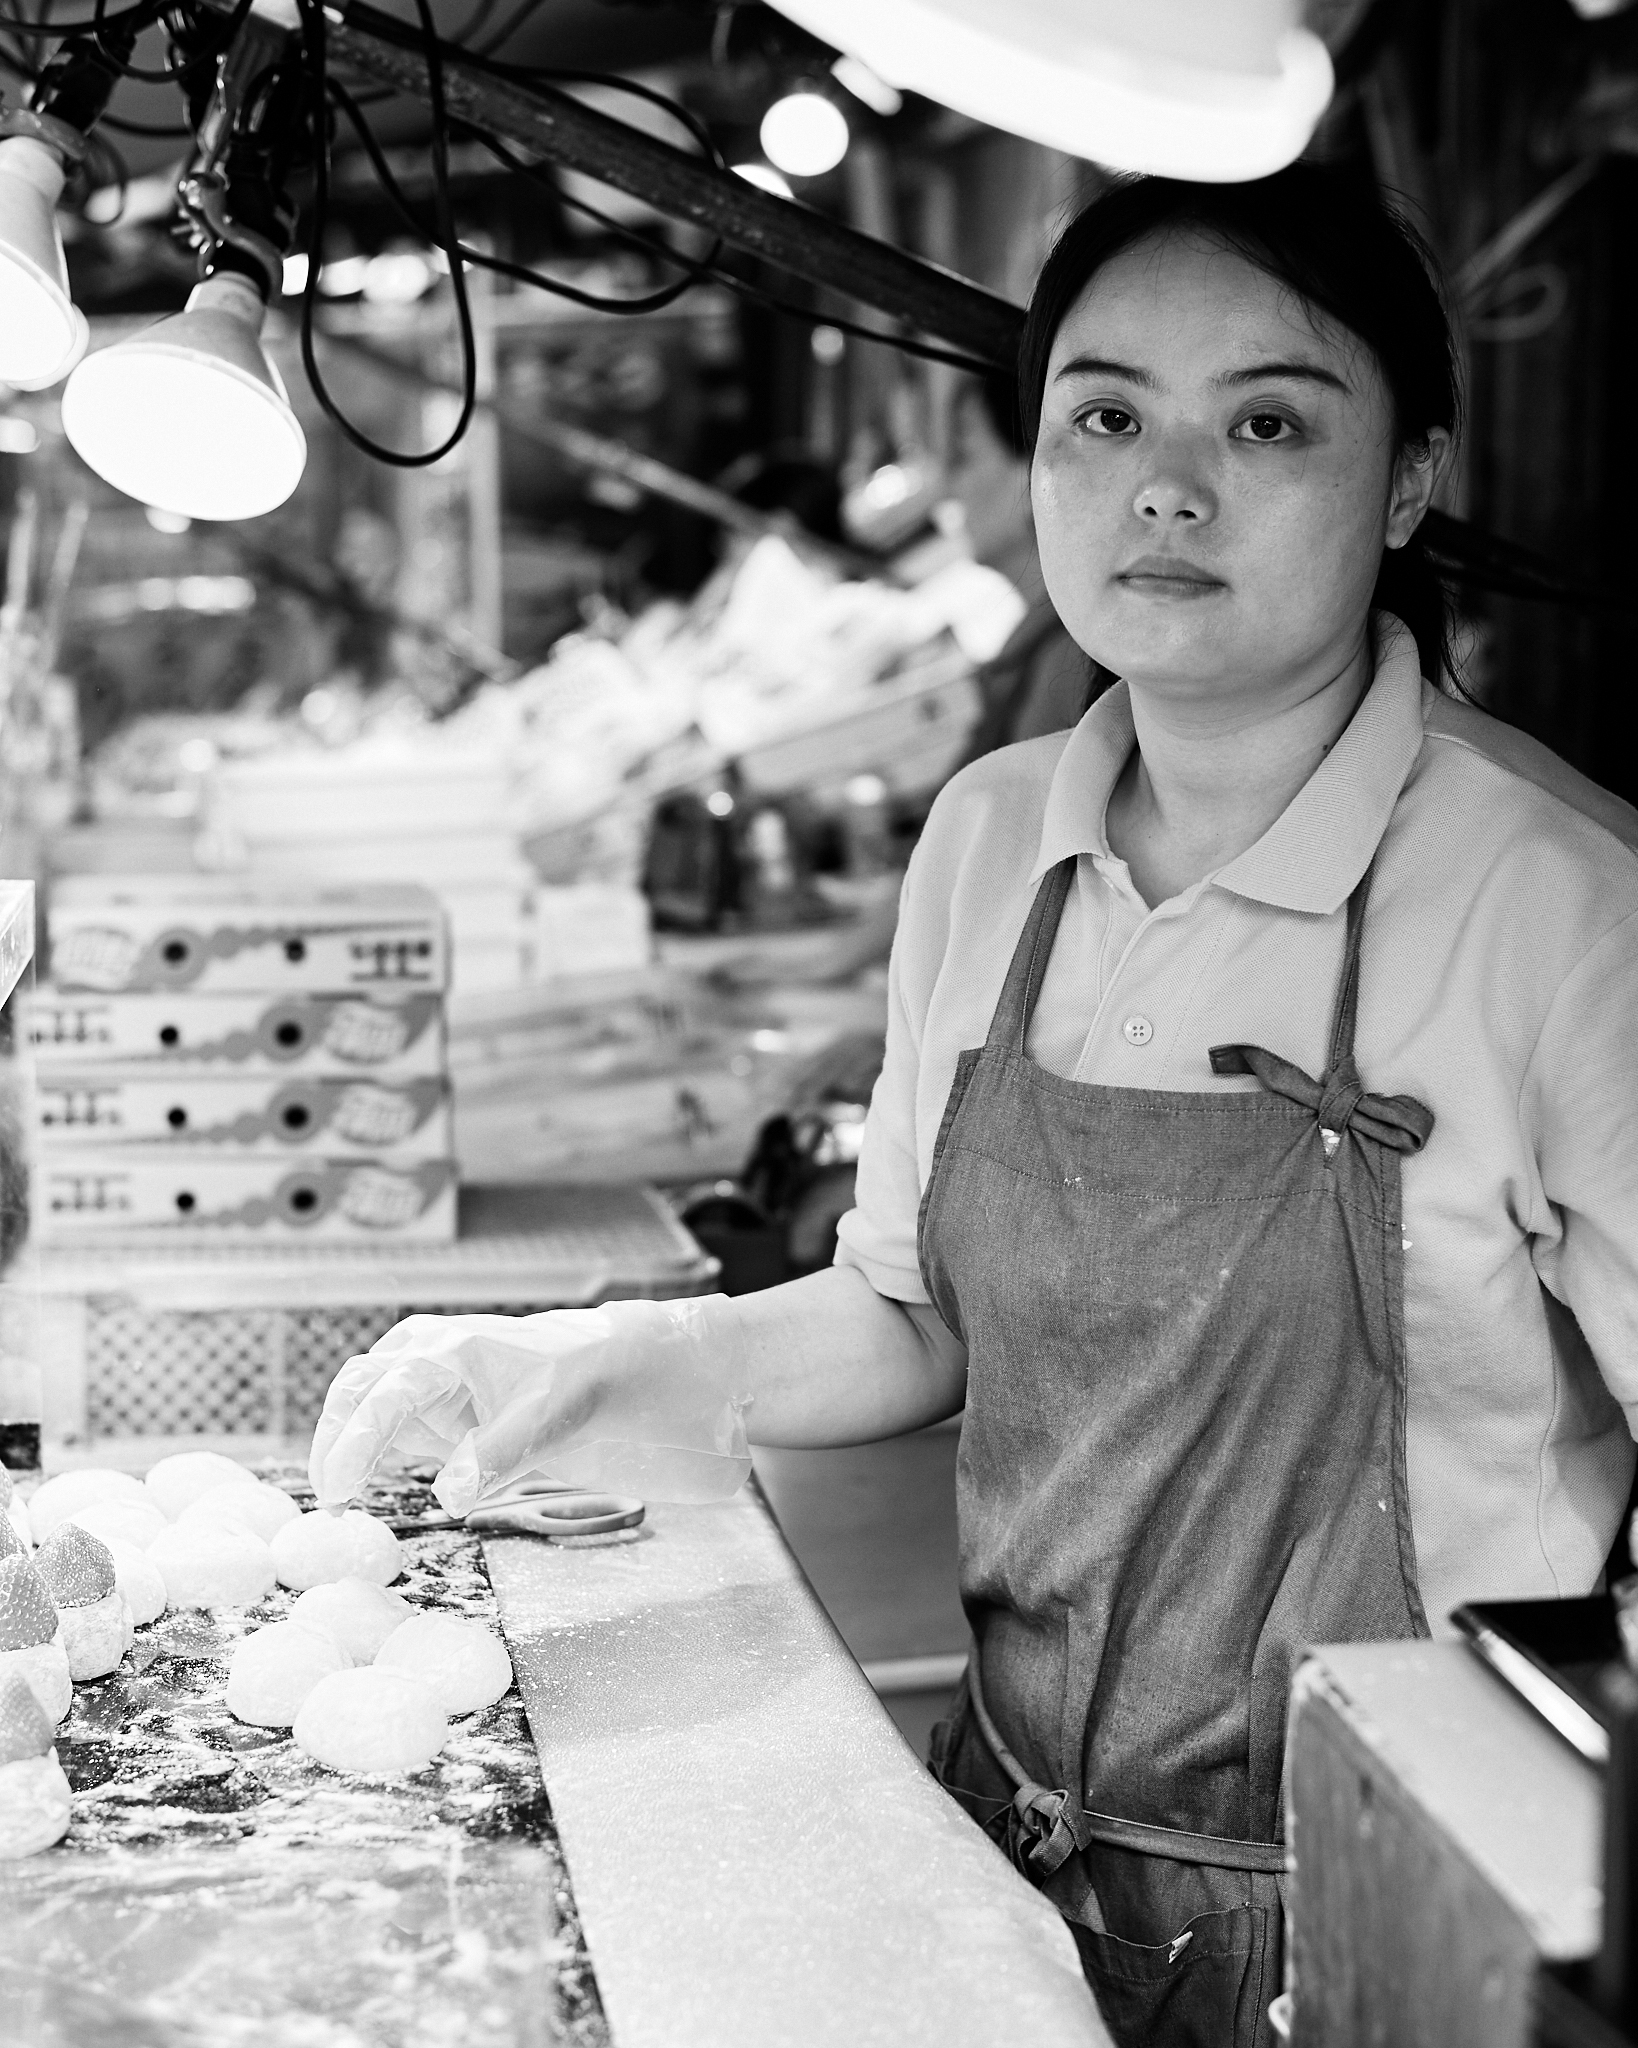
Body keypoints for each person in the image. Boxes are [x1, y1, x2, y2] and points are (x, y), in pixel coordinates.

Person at [309, 165, 1638, 2048]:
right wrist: (594, 1359)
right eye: (1103, 415)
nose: (1163, 487)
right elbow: (913, 1304)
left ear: (1409, 477)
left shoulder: (1561, 906)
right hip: (995, 1873)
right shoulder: (992, 837)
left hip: (1382, 1925)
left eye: (1266, 422)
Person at [946, 372, 1101, 754]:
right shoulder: (1042, 645)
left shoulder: (1073, 662)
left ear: (1035, 472)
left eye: (966, 456)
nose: (953, 486)